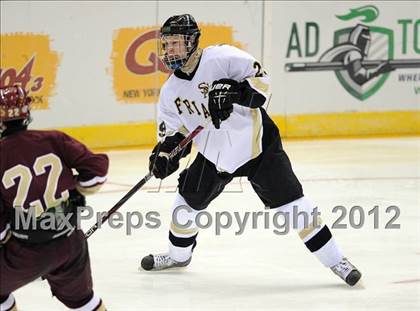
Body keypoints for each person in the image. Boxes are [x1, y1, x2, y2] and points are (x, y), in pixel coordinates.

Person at [141, 14, 362, 287]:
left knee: (296, 208)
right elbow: (177, 134)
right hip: (215, 155)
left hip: (257, 147)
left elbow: (264, 85)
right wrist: (166, 155)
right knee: (183, 208)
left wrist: (237, 92)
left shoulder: (222, 59)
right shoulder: (169, 92)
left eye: (175, 43)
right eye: (166, 44)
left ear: (193, 41)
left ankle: (337, 261)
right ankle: (178, 257)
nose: (169, 50)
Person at [0, 85, 109, 310]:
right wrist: (77, 191)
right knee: (85, 302)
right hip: (70, 242)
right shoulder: (54, 139)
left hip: (26, 250)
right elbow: (96, 174)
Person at [319, 23, 394, 85]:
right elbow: (359, 77)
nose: (365, 43)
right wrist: (379, 70)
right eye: (364, 40)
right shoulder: (353, 52)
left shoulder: (344, 49)